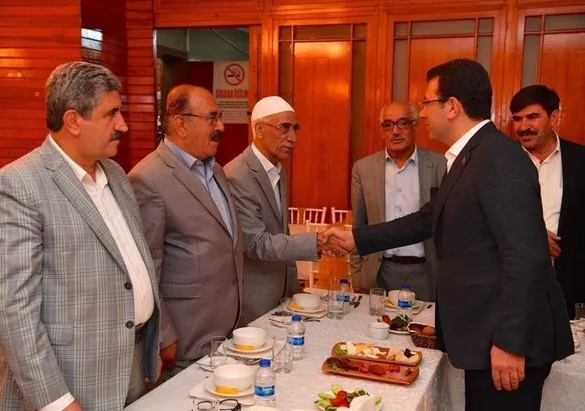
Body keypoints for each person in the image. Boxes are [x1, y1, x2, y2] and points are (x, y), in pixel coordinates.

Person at [321, 59, 573, 410]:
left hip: (507, 341)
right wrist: (357, 238)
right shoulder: (470, 157)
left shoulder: (498, 158)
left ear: (452, 106)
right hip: (485, 332)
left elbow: (526, 258)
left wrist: (510, 342)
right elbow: (428, 218)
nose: (423, 113)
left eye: (427, 103)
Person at [0, 61, 161, 409]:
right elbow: (14, 310)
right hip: (71, 383)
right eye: (111, 114)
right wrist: (56, 401)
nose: (123, 124)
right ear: (73, 120)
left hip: (130, 368)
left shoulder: (116, 175)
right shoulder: (16, 186)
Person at [128, 84, 243, 375]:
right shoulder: (148, 179)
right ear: (180, 124)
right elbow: (145, 269)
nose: (221, 126)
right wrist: (165, 336)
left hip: (225, 333)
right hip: (185, 341)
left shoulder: (215, 170)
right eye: (212, 118)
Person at [224, 96, 321, 325]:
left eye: (295, 128)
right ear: (259, 129)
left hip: (280, 298)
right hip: (253, 302)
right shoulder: (238, 175)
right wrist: (317, 242)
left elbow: (282, 232)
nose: (293, 138)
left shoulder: (278, 169)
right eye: (284, 128)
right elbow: (256, 244)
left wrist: (294, 287)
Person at [350, 101, 445, 299]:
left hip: (426, 273)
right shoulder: (363, 169)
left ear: (415, 126)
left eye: (403, 123)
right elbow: (359, 225)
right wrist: (358, 276)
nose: (395, 131)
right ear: (381, 130)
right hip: (380, 272)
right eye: (388, 125)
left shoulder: (441, 165)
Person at [510, 84, 585, 319]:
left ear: (554, 117)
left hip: (567, 286)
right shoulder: (501, 161)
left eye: (532, 117)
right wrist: (533, 235)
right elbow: (480, 218)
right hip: (512, 286)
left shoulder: (580, 160)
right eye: (517, 119)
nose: (523, 126)